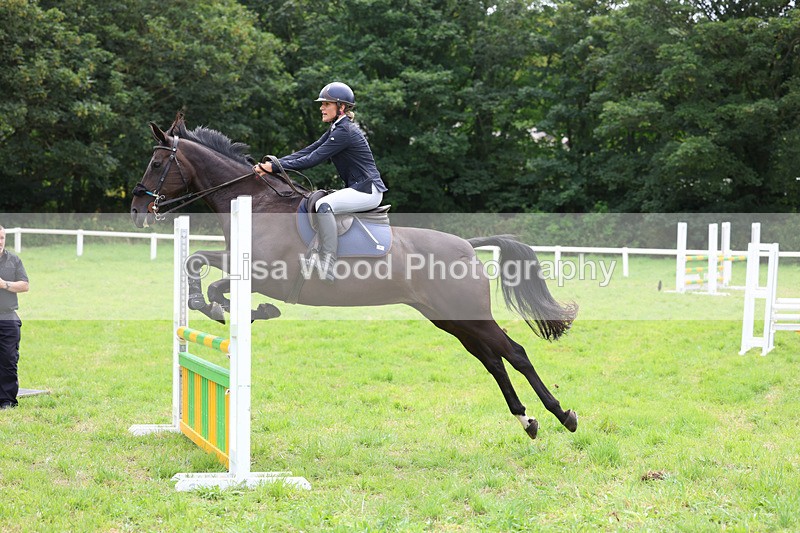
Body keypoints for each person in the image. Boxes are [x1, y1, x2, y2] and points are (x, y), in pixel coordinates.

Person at [253, 82, 387, 281]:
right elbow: (308, 150)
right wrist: (274, 163)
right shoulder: (337, 128)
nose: (321, 108)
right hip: (360, 188)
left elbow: (312, 160)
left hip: (368, 191)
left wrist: (273, 168)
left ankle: (328, 262)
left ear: (341, 107)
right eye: (322, 104)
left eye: (326, 104)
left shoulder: (345, 132)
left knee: (324, 205)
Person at [0, 225, 29, 409]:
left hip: (7, 317)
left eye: (1, 238)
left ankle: (7, 401)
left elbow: (25, 285)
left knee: (9, 360)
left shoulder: (14, 260)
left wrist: (4, 284)